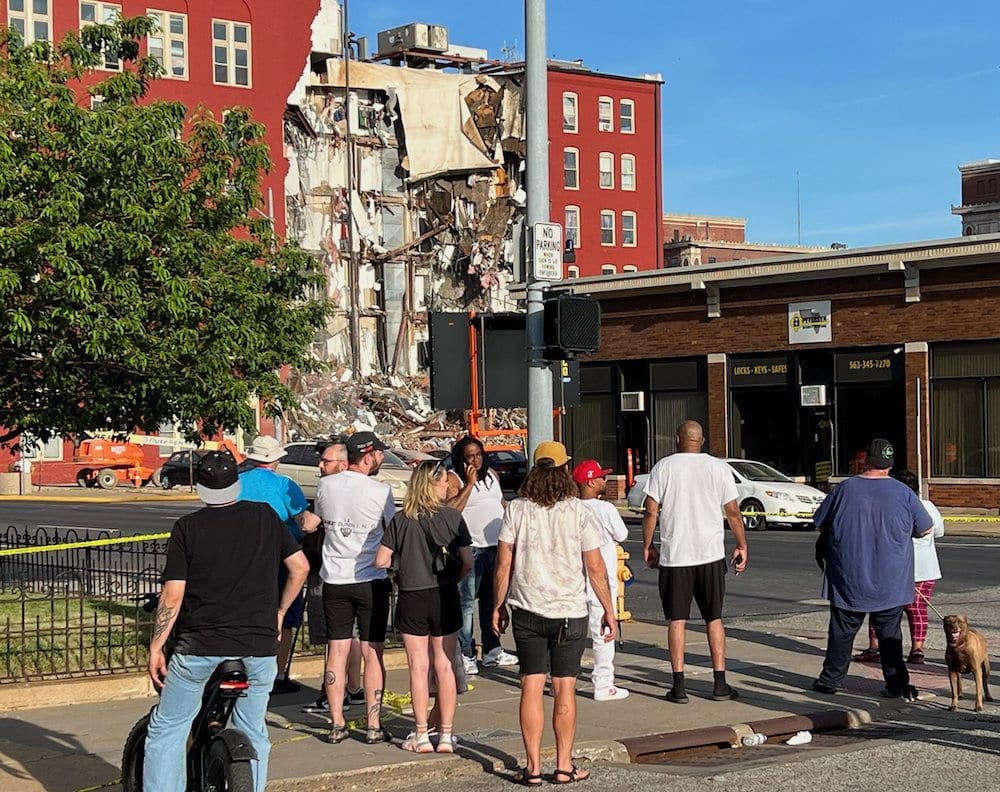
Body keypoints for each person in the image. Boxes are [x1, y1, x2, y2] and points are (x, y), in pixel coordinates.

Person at [143, 452, 309, 792]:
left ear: (200, 489)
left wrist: (157, 645)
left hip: (199, 647)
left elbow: (173, 595)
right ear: (236, 483)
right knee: (252, 729)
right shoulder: (265, 517)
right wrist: (279, 613)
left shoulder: (187, 528)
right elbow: (301, 567)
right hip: (259, 647)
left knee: (169, 727)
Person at [493, 441, 617, 786]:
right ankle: (563, 766)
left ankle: (532, 768)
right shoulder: (579, 511)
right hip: (570, 611)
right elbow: (595, 568)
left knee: (530, 688)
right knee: (565, 689)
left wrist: (497, 604)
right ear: (565, 469)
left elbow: (504, 564)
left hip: (528, 609)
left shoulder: (517, 509)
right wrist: (609, 610)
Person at [811, 439, 933, 699]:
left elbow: (820, 523)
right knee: (890, 635)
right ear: (890, 464)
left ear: (866, 460)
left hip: (848, 577)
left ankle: (830, 680)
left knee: (842, 632)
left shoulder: (844, 489)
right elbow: (925, 528)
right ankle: (896, 684)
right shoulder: (904, 493)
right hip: (891, 579)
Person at [641, 420, 748, 703]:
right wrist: (741, 544)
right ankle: (720, 684)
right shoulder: (717, 467)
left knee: (677, 621)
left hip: (676, 555)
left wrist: (648, 545)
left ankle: (678, 687)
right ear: (701, 441)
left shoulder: (664, 467)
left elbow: (651, 510)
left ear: (678, 439)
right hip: (710, 554)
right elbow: (733, 511)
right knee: (714, 618)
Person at [376, 461, 473, 753]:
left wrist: (402, 567)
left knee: (418, 667)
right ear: (433, 483)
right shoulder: (453, 518)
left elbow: (381, 560)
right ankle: (445, 735)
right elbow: (467, 561)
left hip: (412, 595)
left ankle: (420, 734)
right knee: (444, 665)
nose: (447, 486)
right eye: (444, 481)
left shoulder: (401, 519)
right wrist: (452, 577)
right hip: (444, 595)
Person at [312, 431, 395, 744]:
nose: (381, 459)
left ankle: (336, 722)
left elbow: (321, 520)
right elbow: (392, 530)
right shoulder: (381, 490)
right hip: (371, 580)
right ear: (369, 456)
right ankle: (373, 724)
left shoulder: (325, 485)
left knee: (337, 650)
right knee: (373, 652)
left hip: (335, 579)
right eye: (379, 455)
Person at [238, 434, 319, 694]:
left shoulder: (237, 482)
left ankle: (244, 669)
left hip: (244, 557)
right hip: (282, 556)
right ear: (276, 459)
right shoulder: (285, 484)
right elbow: (304, 520)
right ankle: (278, 674)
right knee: (284, 617)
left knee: (248, 612)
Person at [849, 469, 945, 666]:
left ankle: (876, 647)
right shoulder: (928, 506)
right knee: (917, 610)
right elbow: (939, 531)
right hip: (924, 569)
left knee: (880, 608)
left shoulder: (891, 504)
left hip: (893, 568)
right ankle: (917, 649)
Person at [301, 436, 365, 715]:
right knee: (351, 637)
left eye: (326, 461)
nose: (320, 465)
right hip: (360, 571)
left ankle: (332, 695)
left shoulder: (328, 488)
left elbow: (311, 523)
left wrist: (295, 514)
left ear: (342, 464)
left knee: (334, 639)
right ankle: (354, 687)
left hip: (332, 571)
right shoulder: (367, 489)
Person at [446, 435, 518, 675]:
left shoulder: (493, 476)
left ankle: (492, 649)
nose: (476, 460)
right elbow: (452, 509)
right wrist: (468, 483)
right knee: (466, 603)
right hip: (471, 548)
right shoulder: (453, 478)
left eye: (478, 454)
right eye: (470, 456)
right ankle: (466, 652)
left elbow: (501, 503)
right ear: (461, 459)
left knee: (492, 600)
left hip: (495, 546)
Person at [572, 458, 630, 701]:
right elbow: (622, 534)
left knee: (571, 634)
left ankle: (561, 680)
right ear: (591, 481)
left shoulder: (571, 507)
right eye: (601, 476)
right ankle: (603, 683)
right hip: (601, 579)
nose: (604, 480)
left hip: (574, 578)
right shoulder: (605, 509)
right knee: (603, 632)